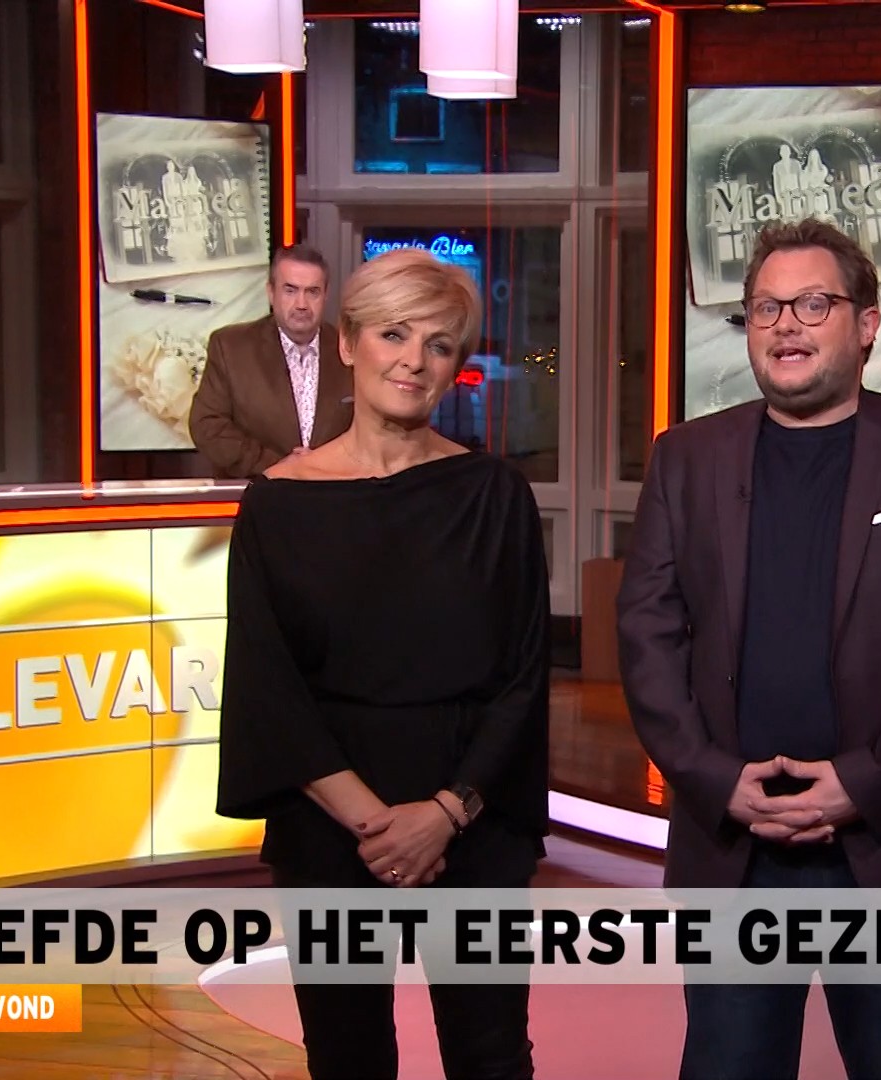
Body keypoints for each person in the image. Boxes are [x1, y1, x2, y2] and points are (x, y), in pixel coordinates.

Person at [616, 218, 881, 1080]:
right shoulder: (685, 458)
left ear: (866, 325)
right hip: (736, 848)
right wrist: (714, 778)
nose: (785, 326)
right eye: (765, 308)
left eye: (811, 304)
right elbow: (647, 634)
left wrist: (865, 782)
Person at [215, 248, 549, 1080]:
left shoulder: (495, 495)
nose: (414, 361)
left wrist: (445, 813)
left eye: (439, 344)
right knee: (347, 1057)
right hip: (330, 826)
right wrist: (375, 824)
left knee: (492, 1058)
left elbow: (523, 677)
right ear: (347, 343)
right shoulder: (277, 504)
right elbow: (267, 689)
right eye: (394, 334)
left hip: (472, 820)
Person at [189, 244, 354, 477]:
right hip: (260, 487)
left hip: (334, 489)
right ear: (271, 292)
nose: (301, 304)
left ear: (326, 295)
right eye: (290, 290)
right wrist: (279, 466)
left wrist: (324, 464)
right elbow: (208, 425)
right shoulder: (231, 347)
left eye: (312, 292)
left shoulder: (351, 350)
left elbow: (370, 429)